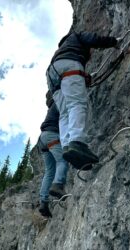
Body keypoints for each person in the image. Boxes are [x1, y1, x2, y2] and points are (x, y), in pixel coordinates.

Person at [46, 29, 119, 169]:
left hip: (52, 74)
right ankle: (77, 142)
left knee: (64, 113)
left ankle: (67, 146)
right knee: (77, 103)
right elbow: (92, 38)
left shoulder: (60, 51)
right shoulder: (76, 36)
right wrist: (113, 42)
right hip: (69, 63)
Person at [37, 90, 69, 218]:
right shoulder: (59, 102)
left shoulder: (50, 108)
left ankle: (43, 202)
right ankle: (58, 185)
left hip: (42, 139)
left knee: (49, 171)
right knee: (62, 160)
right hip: (51, 135)